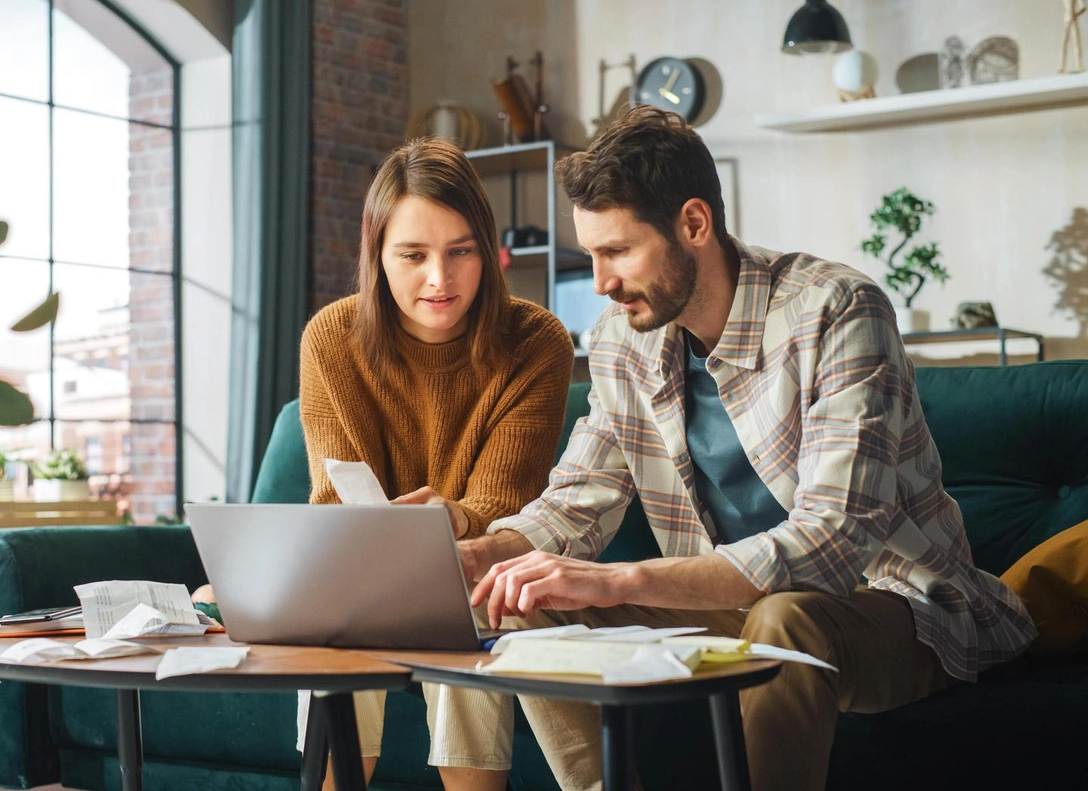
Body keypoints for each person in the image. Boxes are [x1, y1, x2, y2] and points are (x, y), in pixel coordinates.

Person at [459, 106, 1036, 791]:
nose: (602, 283)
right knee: (516, 594)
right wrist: (476, 555)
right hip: (727, 607)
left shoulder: (838, 310)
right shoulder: (622, 342)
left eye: (617, 252)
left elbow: (832, 543)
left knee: (784, 617)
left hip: (890, 604)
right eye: (591, 255)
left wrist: (623, 578)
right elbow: (575, 503)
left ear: (694, 224)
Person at [298, 137, 574, 790]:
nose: (439, 280)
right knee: (338, 608)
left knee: (466, 598)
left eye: (460, 252)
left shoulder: (537, 341)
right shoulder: (331, 339)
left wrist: (449, 520)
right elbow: (337, 510)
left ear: (489, 250)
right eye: (413, 256)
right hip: (359, 574)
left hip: (477, 571)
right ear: (377, 255)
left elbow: (503, 509)